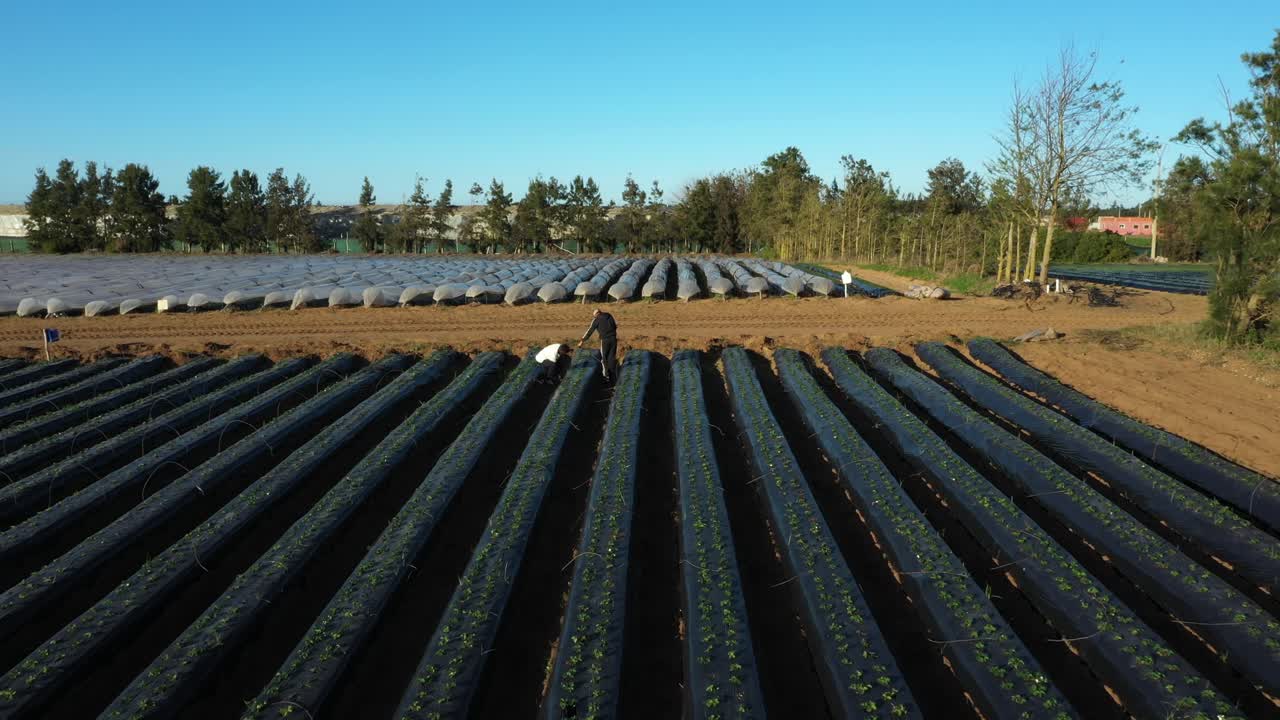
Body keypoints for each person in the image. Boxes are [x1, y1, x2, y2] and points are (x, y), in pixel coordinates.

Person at [578, 308, 617, 382]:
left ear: (596, 314)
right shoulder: (609, 315)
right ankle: (613, 377)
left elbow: (590, 331)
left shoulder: (596, 319)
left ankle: (606, 376)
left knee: (604, 358)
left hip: (605, 340)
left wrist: (582, 341)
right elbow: (615, 326)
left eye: (594, 316)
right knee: (611, 357)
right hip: (613, 339)